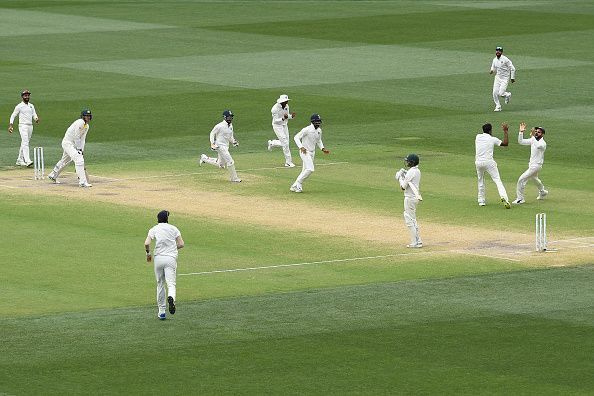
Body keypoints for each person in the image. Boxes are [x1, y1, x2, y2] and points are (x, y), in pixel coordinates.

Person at [144, 210, 184, 320]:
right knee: (171, 284)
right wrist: (171, 248)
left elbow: (147, 243)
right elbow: (181, 244)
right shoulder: (173, 228)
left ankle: (161, 311)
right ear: (167, 219)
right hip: (170, 258)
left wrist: (148, 253)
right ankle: (171, 297)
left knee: (160, 284)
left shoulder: (154, 229)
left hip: (158, 259)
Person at [47, 109, 93, 187]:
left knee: (65, 161)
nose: (88, 117)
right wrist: (78, 150)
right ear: (83, 116)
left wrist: (82, 150)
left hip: (73, 145)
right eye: (86, 116)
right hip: (68, 143)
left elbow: (82, 139)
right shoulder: (80, 122)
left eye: (89, 116)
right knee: (79, 160)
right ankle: (82, 182)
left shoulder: (86, 126)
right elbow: (76, 137)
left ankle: (53, 175)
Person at [290, 114, 329, 193]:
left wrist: (322, 148)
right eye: (317, 121)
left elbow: (319, 141)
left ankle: (294, 186)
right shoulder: (306, 130)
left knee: (304, 170)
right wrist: (301, 147)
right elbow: (296, 137)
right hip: (304, 152)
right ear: (313, 122)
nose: (318, 123)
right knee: (310, 169)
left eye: (319, 121)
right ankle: (299, 183)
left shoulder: (319, 131)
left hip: (312, 152)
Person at [475, 122, 511, 208]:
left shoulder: (478, 137)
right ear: (490, 130)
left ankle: (481, 201)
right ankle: (504, 197)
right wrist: (505, 131)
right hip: (489, 162)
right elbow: (505, 144)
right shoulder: (492, 139)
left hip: (478, 162)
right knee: (497, 180)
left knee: (480, 181)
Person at [199, 110, 241, 182]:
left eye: (231, 117)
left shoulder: (231, 126)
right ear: (225, 117)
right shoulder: (219, 126)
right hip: (219, 146)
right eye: (229, 117)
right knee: (230, 161)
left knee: (221, 164)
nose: (230, 119)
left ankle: (204, 158)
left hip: (226, 146)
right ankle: (234, 178)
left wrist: (234, 142)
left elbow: (230, 136)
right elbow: (212, 133)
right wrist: (212, 143)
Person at [512, 123, 548, 204]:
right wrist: (521, 132)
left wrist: (532, 137)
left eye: (539, 132)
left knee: (521, 179)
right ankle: (543, 192)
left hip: (536, 166)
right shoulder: (533, 140)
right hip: (532, 165)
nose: (536, 133)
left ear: (542, 134)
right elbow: (521, 141)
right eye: (536, 131)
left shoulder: (543, 143)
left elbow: (538, 146)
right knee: (534, 179)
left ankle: (520, 199)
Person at [395, 154, 423, 248]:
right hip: (414, 198)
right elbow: (410, 178)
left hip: (410, 198)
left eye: (408, 161)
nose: (406, 162)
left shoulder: (411, 172)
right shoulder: (417, 171)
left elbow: (403, 187)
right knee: (413, 219)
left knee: (409, 219)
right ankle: (418, 241)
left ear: (412, 162)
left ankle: (415, 242)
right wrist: (404, 173)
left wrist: (399, 177)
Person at [8, 89, 39, 167]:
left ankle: (19, 159)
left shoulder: (31, 106)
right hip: (23, 126)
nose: (27, 96)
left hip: (30, 126)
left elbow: (34, 114)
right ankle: (27, 160)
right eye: (25, 95)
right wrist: (11, 125)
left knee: (25, 142)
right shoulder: (19, 106)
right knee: (25, 142)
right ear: (22, 97)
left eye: (28, 95)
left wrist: (36, 118)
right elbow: (13, 115)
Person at [267, 94, 296, 167]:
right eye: (285, 101)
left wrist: (291, 117)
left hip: (284, 125)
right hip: (277, 126)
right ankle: (288, 162)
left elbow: (286, 116)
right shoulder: (274, 109)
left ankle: (272, 143)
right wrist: (283, 118)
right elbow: (276, 121)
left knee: (286, 143)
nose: (286, 102)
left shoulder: (286, 106)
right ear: (281, 101)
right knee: (285, 143)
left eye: (287, 101)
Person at [490, 46, 515, 112]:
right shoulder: (494, 59)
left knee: (501, 93)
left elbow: (512, 68)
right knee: (494, 92)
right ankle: (498, 106)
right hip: (497, 77)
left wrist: (512, 78)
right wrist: (492, 70)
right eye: (497, 50)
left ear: (501, 52)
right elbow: (493, 67)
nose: (498, 52)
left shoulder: (505, 59)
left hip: (505, 78)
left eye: (499, 50)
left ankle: (507, 95)